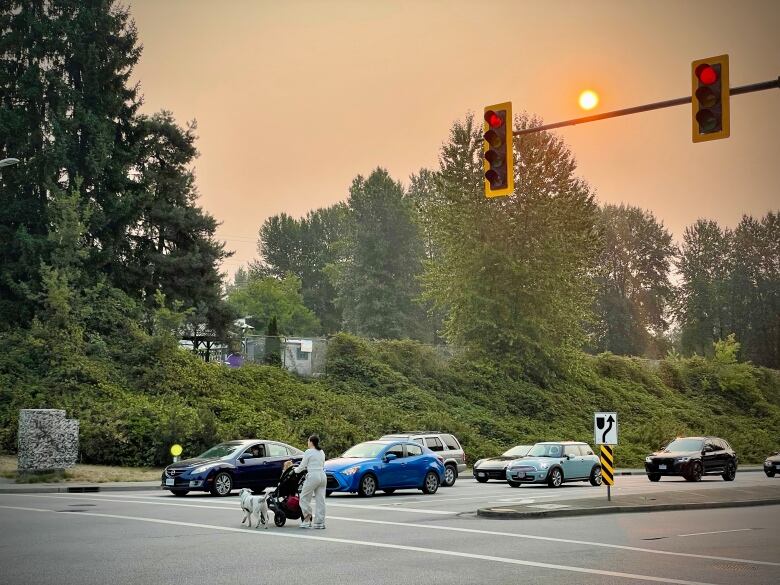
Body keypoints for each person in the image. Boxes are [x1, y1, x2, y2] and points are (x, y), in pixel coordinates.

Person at [290, 435, 326, 529]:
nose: (307, 442)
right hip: (322, 475)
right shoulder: (321, 451)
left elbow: (302, 466)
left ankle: (307, 519)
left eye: (308, 440)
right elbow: (322, 464)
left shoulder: (308, 452)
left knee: (304, 497)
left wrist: (294, 470)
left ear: (311, 442)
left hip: (313, 476)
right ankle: (320, 522)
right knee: (320, 500)